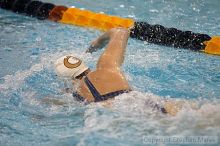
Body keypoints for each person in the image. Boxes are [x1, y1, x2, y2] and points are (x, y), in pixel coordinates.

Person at [54, 28, 195, 116]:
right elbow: (121, 31)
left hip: (133, 119)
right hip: (153, 104)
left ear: (67, 79)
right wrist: (94, 46)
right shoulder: (106, 66)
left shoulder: (75, 96)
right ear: (84, 66)